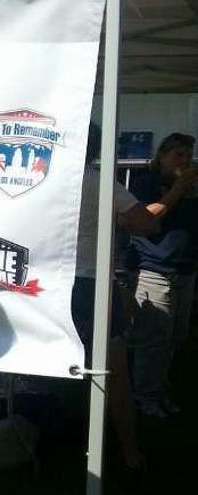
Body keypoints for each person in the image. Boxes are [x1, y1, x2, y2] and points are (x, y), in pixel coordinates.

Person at [71, 122, 157, 468]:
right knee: (115, 369)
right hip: (91, 282)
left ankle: (35, 425)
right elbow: (146, 223)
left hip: (55, 280)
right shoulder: (100, 182)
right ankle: (130, 452)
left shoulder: (50, 180)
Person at [127, 132, 198, 418]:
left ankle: (158, 389)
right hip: (155, 268)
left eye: (188, 155)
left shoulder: (189, 188)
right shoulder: (147, 182)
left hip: (184, 268)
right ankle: (144, 397)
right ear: (162, 155)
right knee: (153, 338)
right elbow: (147, 217)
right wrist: (179, 188)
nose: (184, 161)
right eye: (177, 154)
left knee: (176, 337)